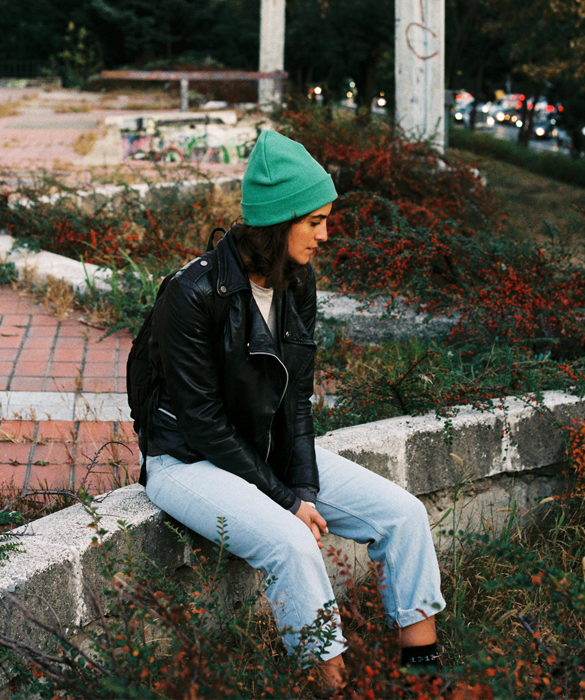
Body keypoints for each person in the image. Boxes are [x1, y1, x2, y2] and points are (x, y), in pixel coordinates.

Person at [142, 130, 446, 694]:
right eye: (314, 221)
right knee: (292, 543)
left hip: (264, 448)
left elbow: (296, 399)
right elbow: (203, 424)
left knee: (404, 515)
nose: (325, 235)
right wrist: (287, 502)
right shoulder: (191, 293)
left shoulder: (296, 280)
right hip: (185, 461)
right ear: (278, 222)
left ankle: (423, 673)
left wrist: (302, 488)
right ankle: (330, 686)